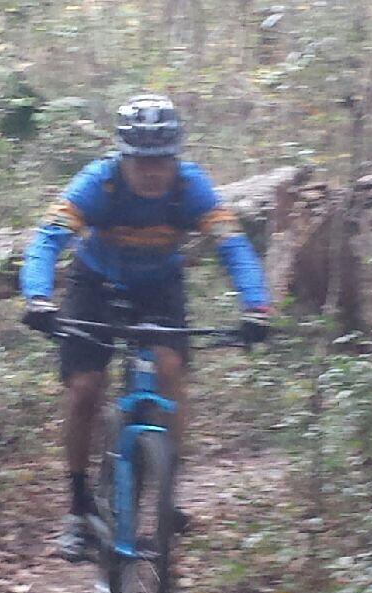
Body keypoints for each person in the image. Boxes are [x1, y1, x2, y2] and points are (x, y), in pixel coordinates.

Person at [20, 95, 270, 560]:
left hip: (159, 286)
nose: (153, 171)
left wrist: (257, 308)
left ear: (176, 155)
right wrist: (38, 297)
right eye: (142, 161)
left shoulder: (191, 188)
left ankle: (166, 491)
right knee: (84, 390)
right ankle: (77, 510)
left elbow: (233, 248)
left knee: (171, 371)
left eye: (163, 160)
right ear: (123, 156)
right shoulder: (100, 184)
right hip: (95, 282)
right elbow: (47, 240)